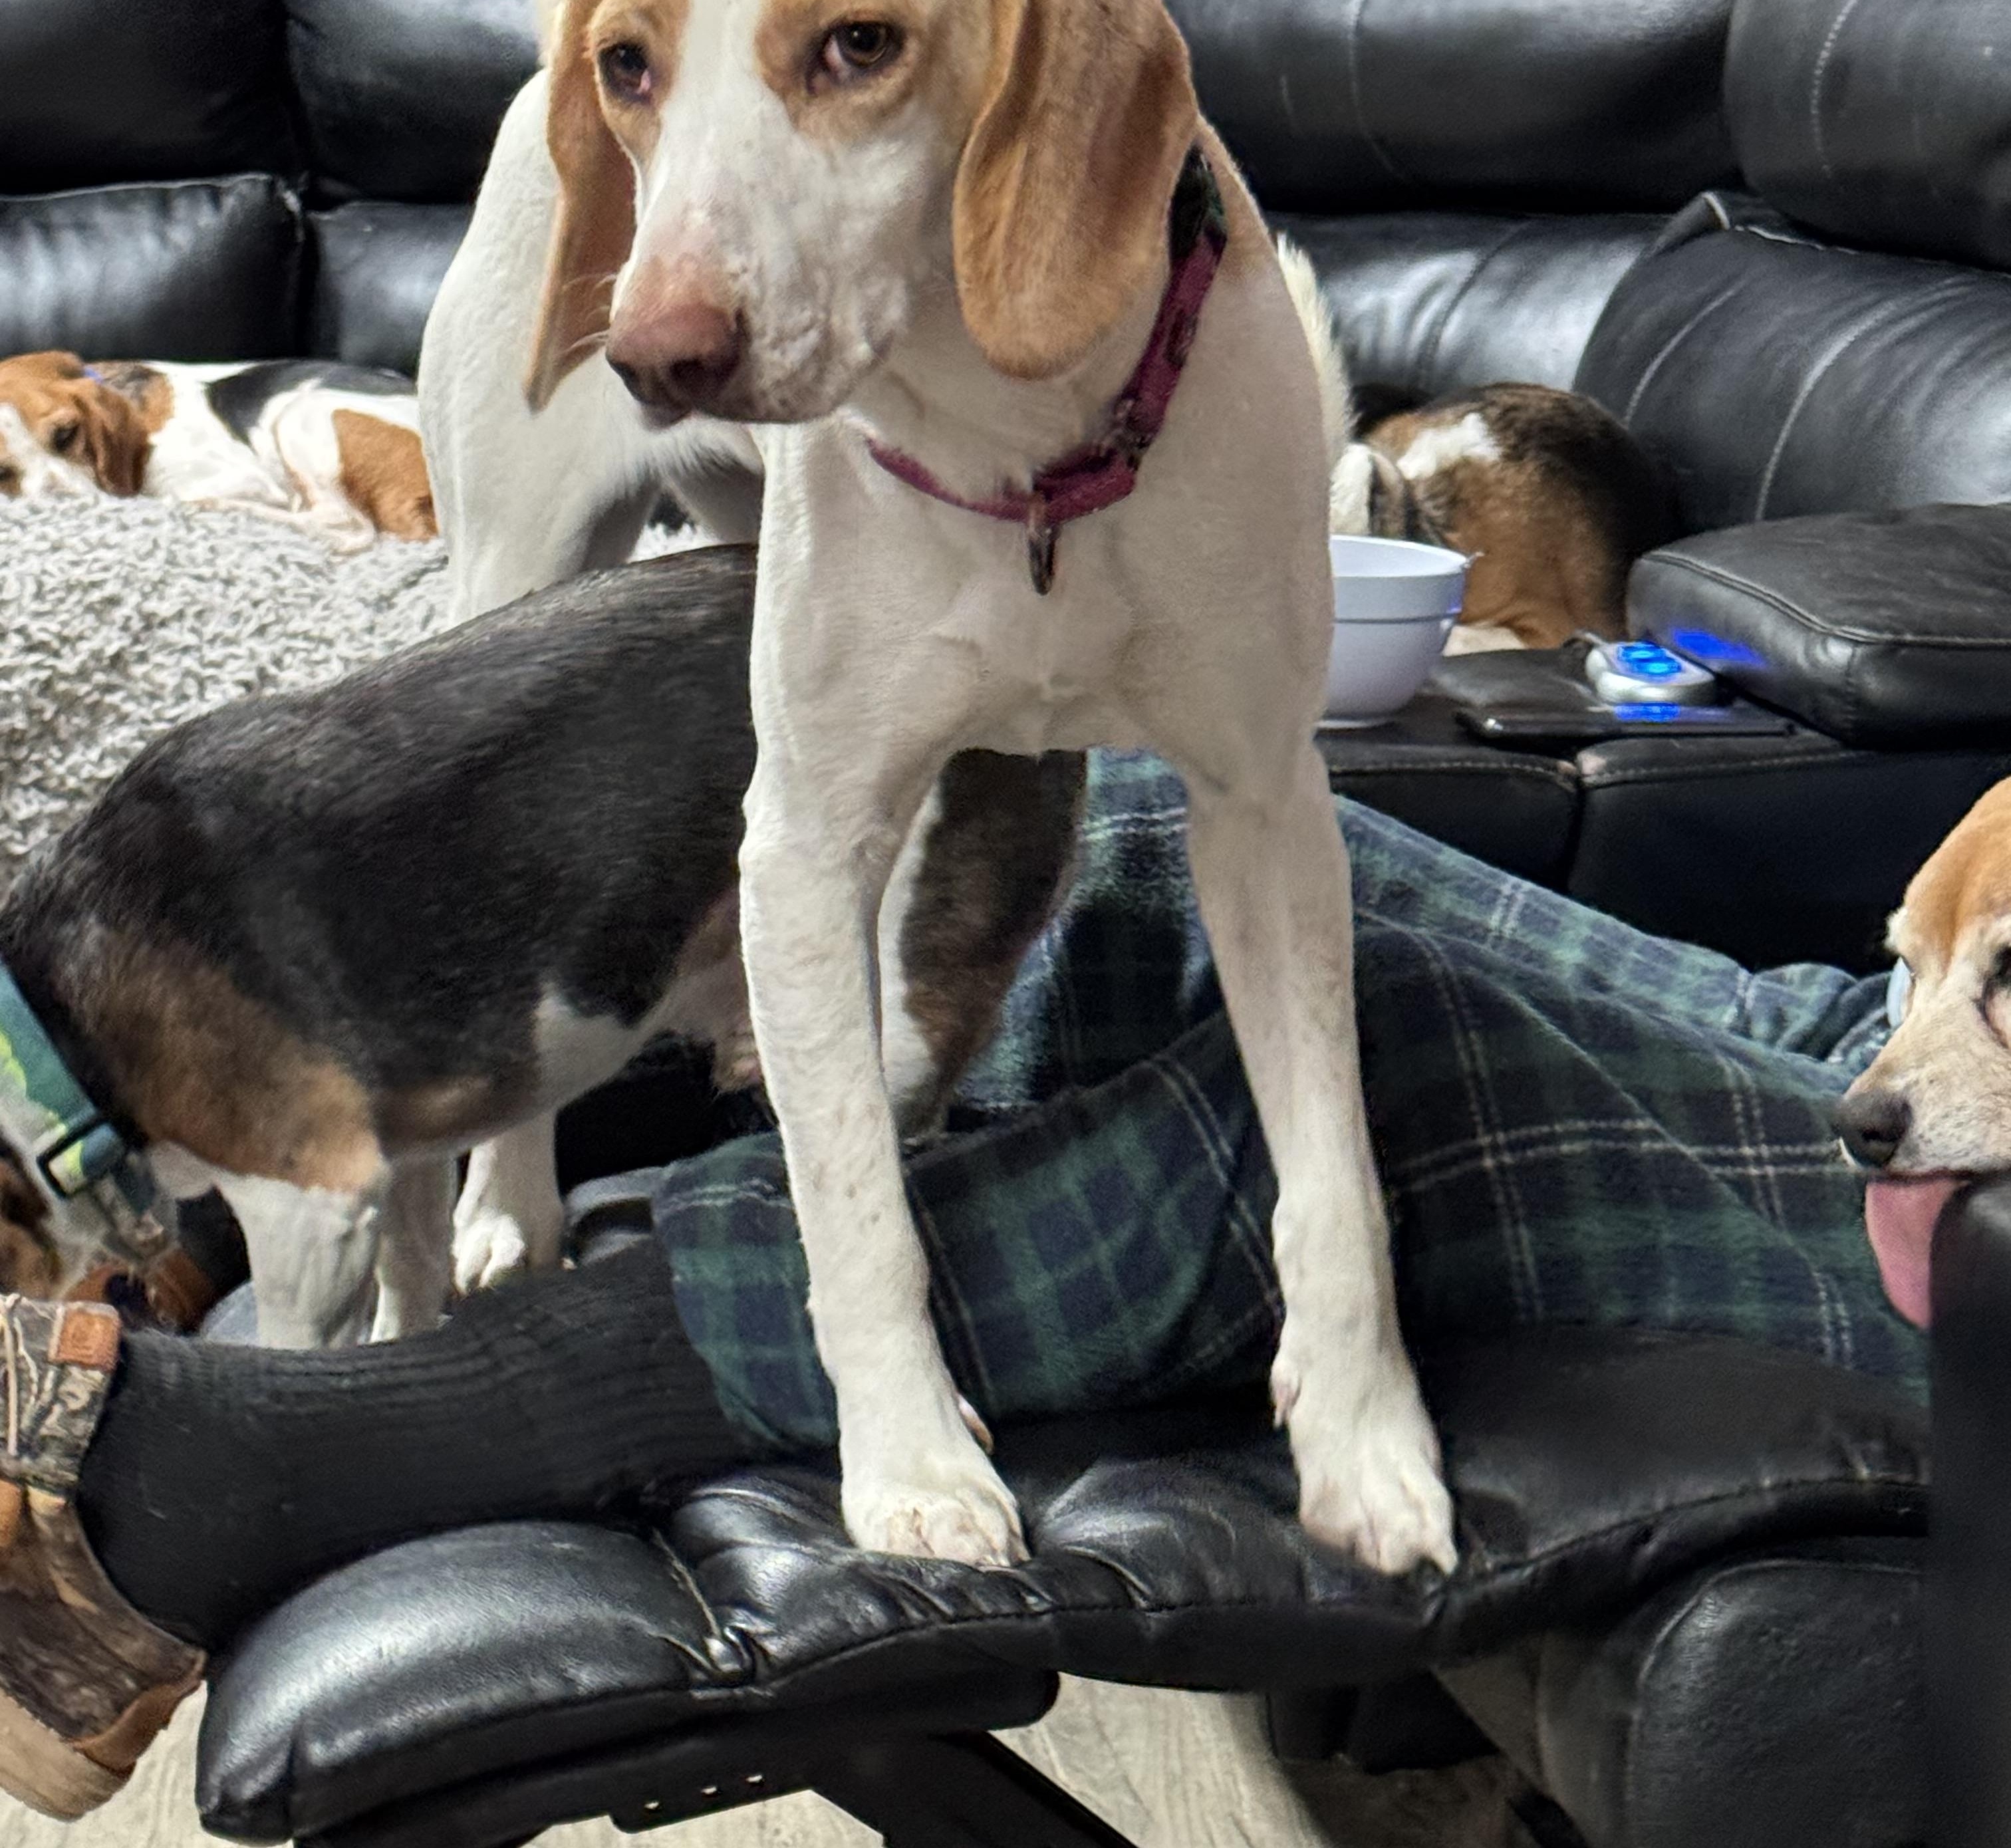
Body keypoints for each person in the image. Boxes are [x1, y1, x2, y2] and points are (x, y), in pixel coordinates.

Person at [0, 754, 1917, 1821]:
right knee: (1148, 829)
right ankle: (697, 1243)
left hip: (1954, 1285)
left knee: (1371, 1073)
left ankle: (235, 1481)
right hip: (1875, 1018)